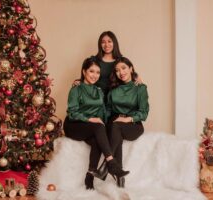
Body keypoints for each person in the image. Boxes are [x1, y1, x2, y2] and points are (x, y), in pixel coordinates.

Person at [63, 56, 129, 190]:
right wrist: (89, 119)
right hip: (74, 125)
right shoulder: (76, 89)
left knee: (98, 140)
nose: (95, 75)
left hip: (91, 127)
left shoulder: (98, 91)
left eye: (97, 72)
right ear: (84, 72)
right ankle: (112, 163)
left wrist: (120, 117)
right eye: (91, 71)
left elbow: (103, 112)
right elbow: (72, 112)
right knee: (98, 127)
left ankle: (89, 178)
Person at [96, 57, 149, 188]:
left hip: (133, 124)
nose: (121, 72)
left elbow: (144, 112)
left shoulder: (140, 88)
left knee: (116, 126)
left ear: (131, 69)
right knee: (114, 128)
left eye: (124, 68)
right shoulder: (113, 89)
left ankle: (105, 166)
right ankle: (120, 180)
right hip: (115, 123)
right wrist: (101, 123)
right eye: (117, 70)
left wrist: (127, 119)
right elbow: (107, 110)